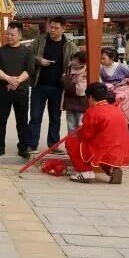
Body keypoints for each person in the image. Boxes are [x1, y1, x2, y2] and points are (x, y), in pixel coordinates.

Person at [28, 16, 78, 154]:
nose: (53, 30)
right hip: (40, 85)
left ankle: (53, 145)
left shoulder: (70, 45)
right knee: (35, 116)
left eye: (56, 28)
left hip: (59, 87)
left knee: (55, 118)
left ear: (63, 28)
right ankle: (32, 144)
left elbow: (78, 62)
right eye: (51, 27)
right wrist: (39, 60)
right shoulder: (40, 40)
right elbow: (27, 55)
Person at [67, 83, 129, 184]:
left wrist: (80, 130)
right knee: (103, 146)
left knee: (72, 142)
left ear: (90, 97)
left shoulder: (93, 111)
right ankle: (112, 169)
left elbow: (86, 135)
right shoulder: (116, 109)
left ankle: (85, 172)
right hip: (122, 150)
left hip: (105, 148)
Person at [0, 22, 35, 158]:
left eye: (13, 35)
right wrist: (9, 79)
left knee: (22, 120)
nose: (9, 37)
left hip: (21, 91)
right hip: (4, 91)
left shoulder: (27, 52)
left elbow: (29, 70)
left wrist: (16, 81)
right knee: (0, 120)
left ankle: (23, 147)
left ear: (20, 35)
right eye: (8, 34)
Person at [62, 51, 88, 134]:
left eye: (78, 61)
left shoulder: (86, 71)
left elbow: (81, 90)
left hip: (81, 102)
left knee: (80, 126)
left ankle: (80, 146)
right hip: (69, 101)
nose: (74, 62)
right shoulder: (68, 68)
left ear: (83, 63)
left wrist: (65, 80)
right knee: (71, 126)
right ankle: (71, 145)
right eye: (74, 59)